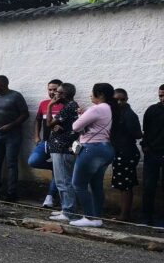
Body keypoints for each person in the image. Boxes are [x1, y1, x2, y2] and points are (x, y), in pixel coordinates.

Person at [69, 83, 118, 227]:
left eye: (92, 92)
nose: (90, 95)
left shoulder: (97, 108)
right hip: (106, 148)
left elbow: (75, 126)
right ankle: (97, 218)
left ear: (100, 94)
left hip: (91, 149)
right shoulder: (109, 108)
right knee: (96, 184)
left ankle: (89, 217)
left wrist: (82, 117)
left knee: (78, 184)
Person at [0, 75, 29, 202]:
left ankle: (11, 193)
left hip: (12, 134)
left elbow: (25, 114)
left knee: (11, 163)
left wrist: (11, 125)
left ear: (3, 84)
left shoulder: (16, 96)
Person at [46, 83, 80, 223]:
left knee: (64, 181)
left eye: (58, 92)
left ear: (64, 95)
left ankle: (69, 212)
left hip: (62, 148)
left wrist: (49, 106)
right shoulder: (71, 107)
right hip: (61, 147)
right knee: (63, 180)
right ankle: (66, 209)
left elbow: (49, 123)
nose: (54, 94)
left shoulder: (69, 107)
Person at [110, 88, 142, 221]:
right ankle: (123, 214)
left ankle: (124, 215)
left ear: (127, 99)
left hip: (127, 152)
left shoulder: (128, 115)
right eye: (116, 99)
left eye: (122, 99)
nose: (119, 102)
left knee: (126, 185)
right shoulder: (117, 113)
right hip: (120, 152)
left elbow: (138, 134)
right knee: (123, 185)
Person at [31, 79, 64, 208]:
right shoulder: (44, 103)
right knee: (33, 161)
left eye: (55, 89)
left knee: (59, 170)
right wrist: (36, 136)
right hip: (45, 142)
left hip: (60, 144)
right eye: (50, 89)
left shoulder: (67, 105)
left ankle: (50, 197)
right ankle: (53, 167)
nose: (52, 92)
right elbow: (38, 120)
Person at [142, 84, 164, 228]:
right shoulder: (152, 110)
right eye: (160, 95)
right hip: (152, 154)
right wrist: (145, 146)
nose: (162, 98)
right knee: (149, 186)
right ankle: (146, 219)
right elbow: (146, 130)